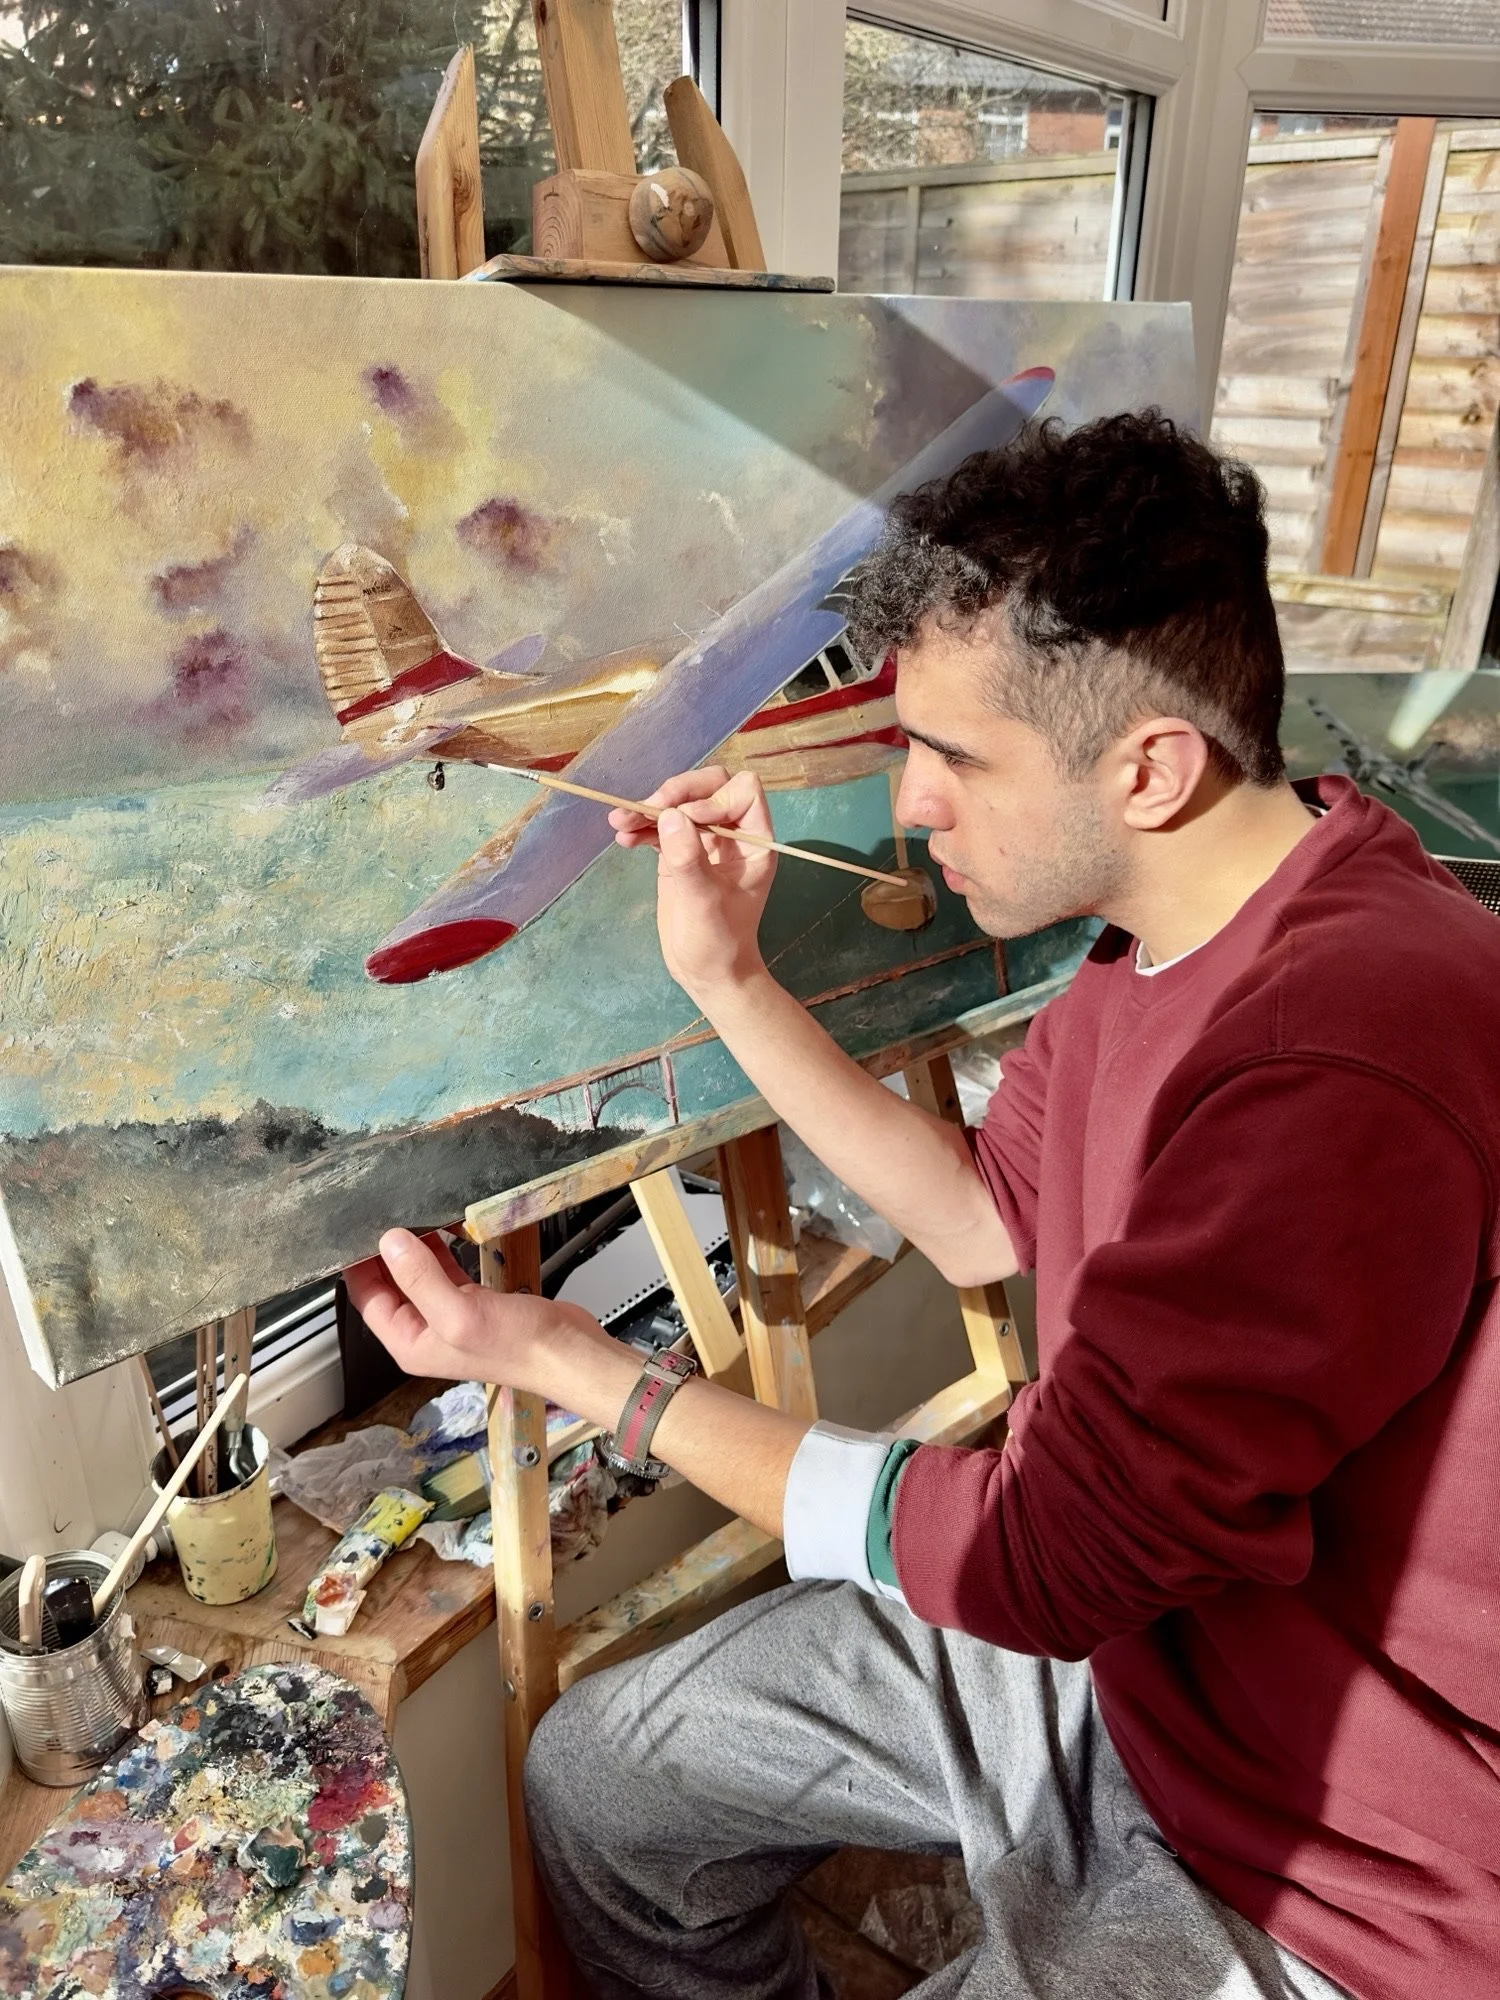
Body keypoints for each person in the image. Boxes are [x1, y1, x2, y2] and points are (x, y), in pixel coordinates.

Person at [346, 413, 1500, 2000]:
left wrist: (583, 1368)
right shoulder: (1171, 933)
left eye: (954, 756)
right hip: (1155, 1665)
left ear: (1149, 769)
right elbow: (983, 1217)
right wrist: (730, 979)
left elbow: (1037, 1560)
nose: (912, 803)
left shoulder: (1333, 1058)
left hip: (1335, 1867)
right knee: (605, 1781)